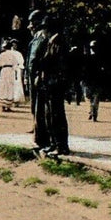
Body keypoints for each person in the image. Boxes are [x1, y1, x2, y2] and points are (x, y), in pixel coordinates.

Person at [35, 15, 70, 155]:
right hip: (50, 83)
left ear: (48, 29)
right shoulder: (51, 41)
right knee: (50, 115)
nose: (42, 32)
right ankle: (55, 143)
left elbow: (57, 64)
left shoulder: (58, 42)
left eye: (43, 28)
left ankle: (61, 145)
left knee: (56, 115)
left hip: (55, 83)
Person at [26, 11, 52, 150]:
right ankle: (39, 137)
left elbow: (38, 60)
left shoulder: (41, 38)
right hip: (33, 77)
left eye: (32, 25)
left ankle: (41, 139)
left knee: (39, 108)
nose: (30, 27)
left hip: (39, 78)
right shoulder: (37, 38)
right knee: (35, 107)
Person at [0, 38, 25, 112]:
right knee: (9, 88)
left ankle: (3, 106)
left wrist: (2, 65)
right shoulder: (12, 55)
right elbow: (15, 64)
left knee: (3, 87)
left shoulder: (2, 55)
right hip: (10, 71)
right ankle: (7, 106)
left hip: (4, 71)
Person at [81, 40, 107, 122]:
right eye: (92, 47)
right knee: (90, 98)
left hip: (96, 81)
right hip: (90, 81)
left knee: (95, 98)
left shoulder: (100, 58)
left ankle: (94, 113)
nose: (93, 49)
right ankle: (92, 111)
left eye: (95, 47)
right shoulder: (88, 57)